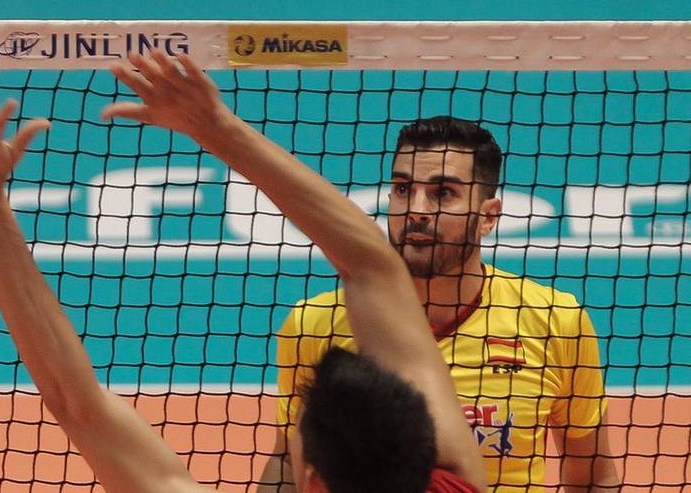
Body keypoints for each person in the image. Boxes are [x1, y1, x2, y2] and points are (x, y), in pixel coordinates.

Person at [0, 50, 491, 493]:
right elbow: (373, 267)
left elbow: (79, 404)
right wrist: (215, 126)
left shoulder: (447, 473)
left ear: (312, 479)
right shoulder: (455, 479)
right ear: (429, 448)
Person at [259, 118, 621, 492]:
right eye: (402, 189)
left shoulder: (553, 320)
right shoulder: (315, 322)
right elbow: (288, 460)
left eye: (443, 192)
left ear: (488, 216)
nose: (416, 209)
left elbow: (593, 474)